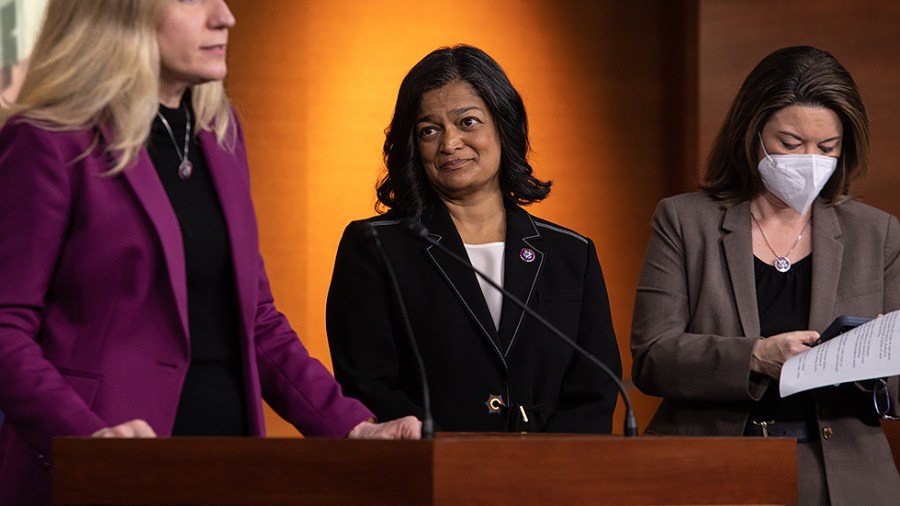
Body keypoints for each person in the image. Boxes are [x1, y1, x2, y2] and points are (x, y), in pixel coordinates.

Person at [0, 1, 419, 504]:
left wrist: (352, 427)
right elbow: (4, 328)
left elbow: (256, 321)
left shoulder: (221, 137)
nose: (225, 16)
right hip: (105, 475)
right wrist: (85, 443)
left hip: (225, 464)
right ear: (120, 12)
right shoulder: (48, 140)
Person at [630, 45, 900, 505]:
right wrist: (755, 356)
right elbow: (652, 357)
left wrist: (869, 361)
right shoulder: (683, 220)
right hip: (709, 468)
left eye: (827, 147)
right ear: (750, 133)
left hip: (841, 476)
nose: (809, 159)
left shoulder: (878, 232)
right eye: (790, 145)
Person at [326, 44, 622, 434]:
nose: (449, 144)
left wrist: (549, 472)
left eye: (467, 122)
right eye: (429, 130)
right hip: (427, 474)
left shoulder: (571, 254)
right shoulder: (374, 247)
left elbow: (595, 391)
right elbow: (368, 382)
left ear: (503, 126)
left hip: (552, 481)